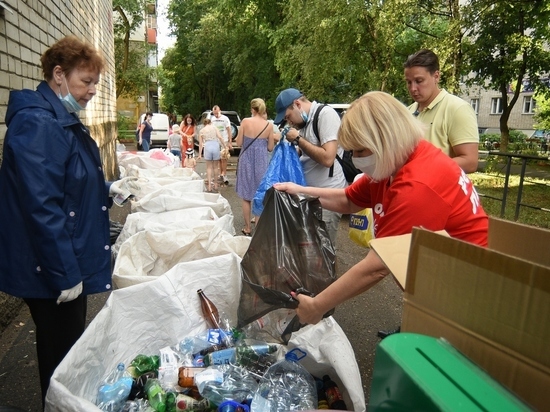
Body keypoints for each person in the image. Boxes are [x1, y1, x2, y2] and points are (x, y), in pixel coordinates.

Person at [0, 35, 139, 407]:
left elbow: (68, 184)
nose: (92, 90)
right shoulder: (39, 124)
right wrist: (65, 273)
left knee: (64, 348)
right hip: (50, 267)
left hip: (58, 261)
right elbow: (42, 207)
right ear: (58, 75)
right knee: (63, 355)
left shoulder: (59, 119)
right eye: (86, 81)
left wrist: (108, 189)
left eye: (96, 82)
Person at [274, 91, 488, 325]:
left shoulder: (417, 185)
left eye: (360, 151)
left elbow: (377, 266)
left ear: (384, 139)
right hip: (437, 277)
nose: (355, 160)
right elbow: (349, 200)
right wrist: (300, 191)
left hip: (462, 291)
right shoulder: (395, 162)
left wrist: (317, 305)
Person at [273, 88, 347, 245]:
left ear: (297, 104)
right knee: (310, 252)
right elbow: (308, 154)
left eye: (288, 117)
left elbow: (328, 158)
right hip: (309, 196)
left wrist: (298, 139)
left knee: (324, 253)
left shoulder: (325, 115)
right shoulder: (304, 124)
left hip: (327, 197)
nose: (289, 122)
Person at [404, 49, 479, 173]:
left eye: (419, 81)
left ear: (436, 76)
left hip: (440, 190)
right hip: (409, 188)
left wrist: (423, 166)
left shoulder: (457, 109)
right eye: (408, 82)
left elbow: (470, 162)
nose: (413, 88)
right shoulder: (407, 112)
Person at [235, 98, 275, 236]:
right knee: (259, 194)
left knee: (246, 196)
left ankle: (247, 228)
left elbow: (239, 142)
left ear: (253, 109)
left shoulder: (245, 122)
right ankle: (258, 227)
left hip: (246, 161)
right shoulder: (268, 125)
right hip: (261, 162)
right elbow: (270, 148)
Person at [198, 117, 226, 192]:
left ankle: (209, 186)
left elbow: (201, 144)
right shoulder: (214, 127)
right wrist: (225, 146)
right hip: (215, 145)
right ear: (210, 122)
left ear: (204, 124)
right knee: (215, 167)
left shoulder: (201, 131)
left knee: (209, 167)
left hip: (207, 146)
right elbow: (220, 137)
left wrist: (200, 154)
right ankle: (216, 185)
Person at [210, 105, 232, 184]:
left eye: (217, 113)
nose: (216, 115)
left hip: (224, 140)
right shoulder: (212, 119)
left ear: (220, 111)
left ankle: (224, 174)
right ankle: (221, 174)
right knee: (218, 158)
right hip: (215, 141)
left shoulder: (225, 119)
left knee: (224, 158)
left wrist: (230, 141)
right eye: (214, 113)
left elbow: (229, 129)